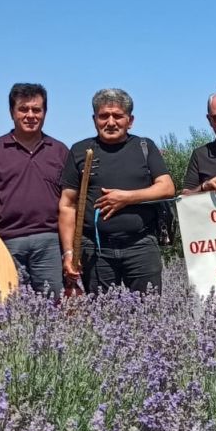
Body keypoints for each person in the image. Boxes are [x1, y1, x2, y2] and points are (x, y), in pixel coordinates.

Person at [59, 88, 175, 294]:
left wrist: (126, 198)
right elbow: (67, 205)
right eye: (104, 116)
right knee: (102, 318)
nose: (111, 122)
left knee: (150, 314)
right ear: (94, 119)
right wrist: (69, 252)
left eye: (118, 116)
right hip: (95, 250)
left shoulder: (144, 147)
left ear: (130, 120)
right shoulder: (79, 151)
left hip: (140, 246)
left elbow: (166, 187)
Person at [0, 83, 69, 296]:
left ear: (45, 112)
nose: (30, 115)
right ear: (12, 112)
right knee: (8, 307)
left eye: (36, 110)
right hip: (6, 241)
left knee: (53, 305)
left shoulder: (60, 150)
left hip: (49, 240)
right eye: (23, 109)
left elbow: (69, 201)